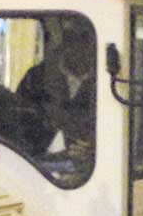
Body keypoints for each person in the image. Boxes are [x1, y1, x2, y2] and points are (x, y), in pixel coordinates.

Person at [15, 22, 99, 153]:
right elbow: (19, 119)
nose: (80, 47)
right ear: (64, 44)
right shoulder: (36, 77)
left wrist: (94, 147)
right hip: (37, 159)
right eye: (72, 39)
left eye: (86, 39)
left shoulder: (104, 82)